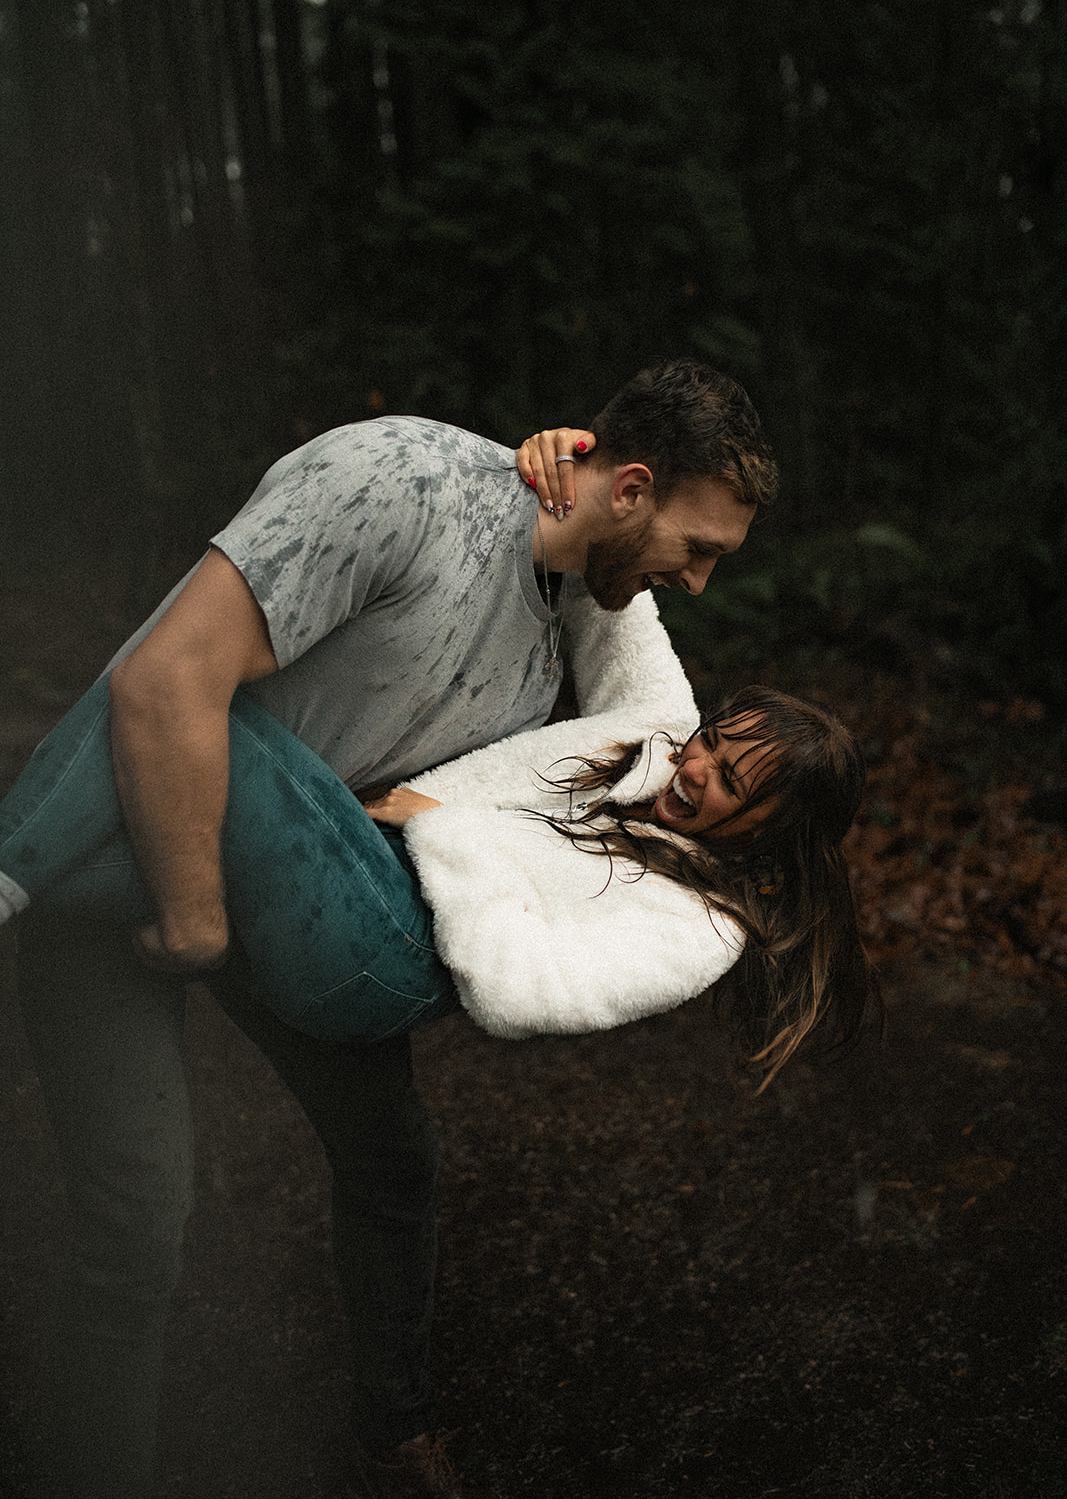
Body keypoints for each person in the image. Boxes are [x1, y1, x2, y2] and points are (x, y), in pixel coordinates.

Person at [10, 359, 779, 1499]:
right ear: (627, 486)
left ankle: (393, 1434)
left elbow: (648, 715)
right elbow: (162, 685)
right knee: (140, 1223)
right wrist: (194, 918)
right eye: (698, 548)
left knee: (391, 1162)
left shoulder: (562, 624)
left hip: (288, 881)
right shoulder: (396, 483)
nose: (699, 582)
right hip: (126, 852)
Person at [1, 666, 871, 1082]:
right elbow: (628, 573)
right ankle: (21, 885)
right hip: (360, 875)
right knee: (165, 780)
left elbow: (522, 990)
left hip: (387, 951)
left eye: (731, 783)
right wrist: (561, 455)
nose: (696, 769)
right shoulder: (654, 735)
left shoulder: (700, 930)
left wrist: (443, 828)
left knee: (189, 695)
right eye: (713, 743)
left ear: (777, 832)